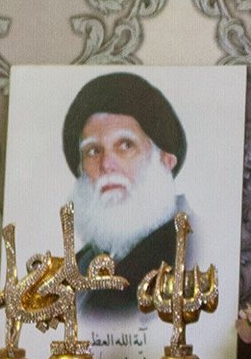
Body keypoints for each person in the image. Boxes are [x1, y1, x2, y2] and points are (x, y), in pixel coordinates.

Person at [61, 71, 190, 314]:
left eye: (125, 145)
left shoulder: (190, 252)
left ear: (165, 161)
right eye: (93, 151)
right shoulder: (77, 268)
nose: (106, 164)